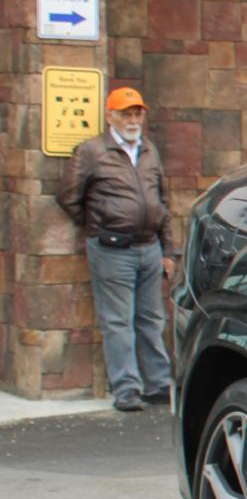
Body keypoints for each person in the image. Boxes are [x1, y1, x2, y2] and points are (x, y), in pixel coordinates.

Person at [58, 88, 178, 411]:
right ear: (110, 115)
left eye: (137, 113)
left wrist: (168, 250)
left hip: (149, 248)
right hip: (112, 249)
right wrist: (99, 225)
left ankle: (157, 384)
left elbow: (162, 203)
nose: (133, 119)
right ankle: (126, 388)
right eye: (126, 113)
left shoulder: (149, 150)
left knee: (153, 319)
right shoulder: (92, 151)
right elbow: (69, 195)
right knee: (118, 321)